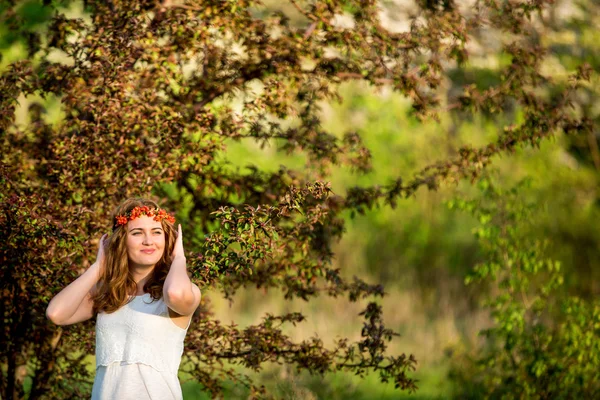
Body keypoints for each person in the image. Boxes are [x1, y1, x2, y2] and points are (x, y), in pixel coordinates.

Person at [46, 198, 201, 400]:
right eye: (137, 233)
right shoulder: (109, 293)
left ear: (168, 240)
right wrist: (98, 268)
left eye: (156, 232)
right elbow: (56, 314)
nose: (148, 241)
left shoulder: (184, 291)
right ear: (121, 240)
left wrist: (179, 258)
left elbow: (175, 294)